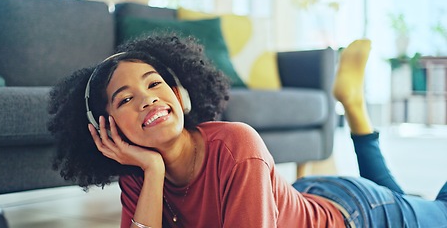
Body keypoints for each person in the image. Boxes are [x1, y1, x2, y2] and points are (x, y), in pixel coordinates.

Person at [48, 33, 447, 228]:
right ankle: (357, 113)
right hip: (303, 199)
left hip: (357, 215)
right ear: (108, 128)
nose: (147, 100)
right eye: (124, 100)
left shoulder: (236, 144)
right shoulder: (139, 174)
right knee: (413, 202)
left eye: (155, 84)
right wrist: (152, 172)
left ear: (182, 97)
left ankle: (358, 115)